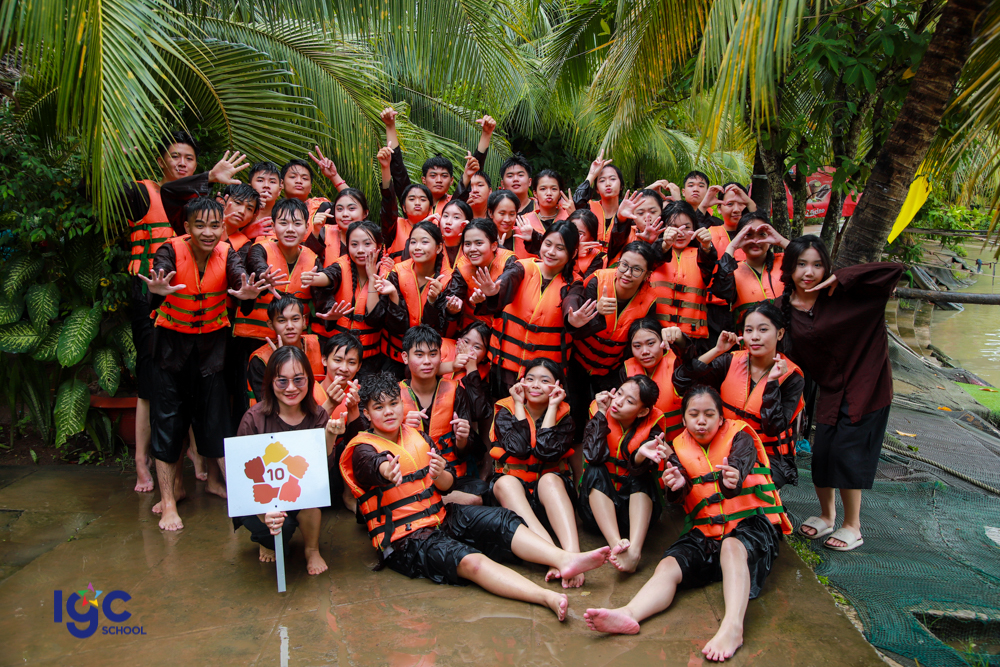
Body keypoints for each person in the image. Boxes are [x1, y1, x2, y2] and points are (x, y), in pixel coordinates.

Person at [341, 372, 611, 620]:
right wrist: (388, 471)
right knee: (470, 560)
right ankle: (546, 597)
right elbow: (374, 466)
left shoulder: (418, 437)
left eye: (393, 404)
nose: (389, 412)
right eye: (379, 407)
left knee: (502, 519)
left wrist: (439, 473)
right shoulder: (363, 449)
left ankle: (562, 559)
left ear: (402, 404)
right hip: (405, 541)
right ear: (366, 413)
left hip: (441, 517)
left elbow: (447, 485)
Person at [584, 385, 792, 663]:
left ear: (721, 418)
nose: (701, 421)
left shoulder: (740, 435)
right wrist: (677, 485)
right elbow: (678, 489)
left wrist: (733, 478)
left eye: (709, 414)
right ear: (683, 419)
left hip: (752, 525)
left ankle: (732, 628)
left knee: (732, 545)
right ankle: (629, 613)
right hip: (707, 533)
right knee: (669, 564)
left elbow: (740, 464)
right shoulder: (678, 448)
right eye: (694, 415)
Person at [121, 133, 247, 493]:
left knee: (204, 389)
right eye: (174, 156)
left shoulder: (199, 203)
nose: (181, 163)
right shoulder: (148, 193)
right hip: (156, 293)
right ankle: (145, 464)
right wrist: (122, 157)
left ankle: (197, 470)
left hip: (201, 308)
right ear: (161, 160)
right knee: (156, 385)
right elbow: (157, 193)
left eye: (189, 158)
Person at [140, 197, 277, 531]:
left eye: (215, 225)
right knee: (168, 426)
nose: (208, 232)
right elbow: (155, 284)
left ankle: (240, 495)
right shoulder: (170, 251)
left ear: (222, 227)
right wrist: (157, 289)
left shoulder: (227, 253)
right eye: (200, 225)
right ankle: (169, 503)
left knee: (217, 424)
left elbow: (238, 277)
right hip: (171, 353)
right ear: (187, 227)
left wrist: (246, 291)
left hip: (211, 353)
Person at [778, 236, 903, 551]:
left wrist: (843, 276)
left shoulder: (845, 294)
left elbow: (893, 270)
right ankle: (827, 515)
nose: (809, 272)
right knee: (823, 453)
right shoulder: (783, 308)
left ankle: (853, 526)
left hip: (867, 383)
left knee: (848, 453)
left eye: (817, 265)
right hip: (831, 388)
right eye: (801, 264)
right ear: (789, 268)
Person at [671, 303, 805, 489]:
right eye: (749, 330)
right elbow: (682, 382)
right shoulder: (730, 361)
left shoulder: (792, 377)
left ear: (780, 333)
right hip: (724, 445)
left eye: (763, 330)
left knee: (739, 483)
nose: (754, 337)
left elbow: (773, 427)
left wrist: (773, 382)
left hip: (768, 455)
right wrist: (717, 350)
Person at [234, 346, 339, 575]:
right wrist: (263, 511)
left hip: (300, 492)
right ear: (271, 382)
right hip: (262, 496)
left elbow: (321, 472)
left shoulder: (318, 415)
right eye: (282, 381)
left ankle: (312, 549)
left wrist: (330, 436)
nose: (291, 388)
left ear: (309, 380)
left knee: (311, 501)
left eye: (298, 380)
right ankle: (266, 540)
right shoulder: (253, 419)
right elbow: (242, 477)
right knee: (277, 532)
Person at [489, 359, 584, 588]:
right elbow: (519, 449)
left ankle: (574, 555)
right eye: (530, 379)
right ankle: (554, 557)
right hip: (516, 501)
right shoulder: (505, 412)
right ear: (521, 382)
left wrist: (552, 407)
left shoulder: (564, 417)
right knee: (506, 483)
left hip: (550, 499)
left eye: (544, 380)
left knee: (549, 479)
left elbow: (545, 451)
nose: (535, 385)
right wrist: (518, 404)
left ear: (557, 386)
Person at [568, 241, 659, 436]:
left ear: (647, 275)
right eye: (624, 265)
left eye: (636, 269)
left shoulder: (650, 300)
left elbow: (636, 344)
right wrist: (597, 313)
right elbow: (575, 330)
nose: (627, 273)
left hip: (611, 369)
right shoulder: (597, 281)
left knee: (608, 422)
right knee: (575, 417)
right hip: (577, 362)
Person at [483, 221, 582, 397]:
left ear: (573, 253)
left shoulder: (574, 284)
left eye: (560, 248)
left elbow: (572, 301)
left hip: (543, 377)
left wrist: (572, 318)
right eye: (548, 244)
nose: (551, 252)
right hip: (505, 368)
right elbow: (506, 282)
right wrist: (493, 292)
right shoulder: (522, 267)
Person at [579, 375, 666, 573]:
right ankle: (616, 545)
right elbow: (593, 455)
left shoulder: (654, 424)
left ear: (643, 411)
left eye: (629, 401)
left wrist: (639, 456)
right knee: (595, 469)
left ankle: (634, 552)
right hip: (596, 514)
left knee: (642, 476)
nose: (618, 402)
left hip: (633, 516)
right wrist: (601, 413)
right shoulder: (599, 409)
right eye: (619, 393)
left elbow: (649, 468)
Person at [398, 326, 490, 504]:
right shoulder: (394, 396)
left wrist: (462, 439)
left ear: (441, 357)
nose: (427, 361)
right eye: (419, 355)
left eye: (433, 354)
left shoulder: (456, 392)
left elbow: (464, 452)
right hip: (409, 477)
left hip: (450, 476)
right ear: (405, 357)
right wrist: (401, 429)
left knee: (480, 495)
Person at [312, 221, 407, 375]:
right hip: (337, 354)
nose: (360, 250)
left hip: (369, 359)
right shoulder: (341, 265)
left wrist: (372, 277)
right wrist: (314, 278)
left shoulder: (388, 276)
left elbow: (374, 319)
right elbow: (329, 276)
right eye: (354, 244)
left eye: (367, 244)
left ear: (379, 246)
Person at [381, 107, 495, 215]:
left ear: (451, 181)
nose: (439, 180)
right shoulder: (413, 203)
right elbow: (398, 172)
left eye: (444, 176)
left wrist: (486, 134)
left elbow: (472, 171)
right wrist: (390, 126)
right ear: (423, 179)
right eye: (433, 175)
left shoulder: (457, 204)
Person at [381, 221, 458, 376]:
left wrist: (433, 301)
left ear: (438, 248)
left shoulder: (450, 280)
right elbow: (394, 324)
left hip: (429, 359)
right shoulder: (397, 272)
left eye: (424, 242)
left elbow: (443, 328)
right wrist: (394, 296)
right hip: (396, 354)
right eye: (413, 242)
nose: (417, 247)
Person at [649, 200, 717, 347]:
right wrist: (665, 245)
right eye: (673, 227)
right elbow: (650, 261)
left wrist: (707, 246)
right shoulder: (652, 254)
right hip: (656, 336)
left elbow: (710, 265)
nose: (680, 233)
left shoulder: (704, 255)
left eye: (686, 227)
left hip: (693, 340)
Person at [698, 183, 759, 344]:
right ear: (719, 208)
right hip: (715, 310)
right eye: (730, 204)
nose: (736, 209)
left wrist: (750, 203)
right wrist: (703, 205)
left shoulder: (757, 237)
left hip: (748, 306)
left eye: (741, 203)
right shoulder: (708, 233)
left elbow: (761, 221)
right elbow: (691, 228)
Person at [245, 296, 328, 408]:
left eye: (295, 319)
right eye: (282, 321)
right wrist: (280, 361)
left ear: (304, 321)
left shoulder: (318, 345)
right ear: (271, 324)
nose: (290, 326)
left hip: (321, 410)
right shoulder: (260, 360)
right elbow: (267, 403)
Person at [712, 212, 789, 328]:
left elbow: (809, 259)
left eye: (762, 234)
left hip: (786, 335)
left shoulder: (786, 262)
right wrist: (731, 247)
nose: (755, 241)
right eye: (748, 235)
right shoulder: (731, 272)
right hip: (751, 337)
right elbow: (721, 289)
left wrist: (781, 241)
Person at [440, 218, 518, 331]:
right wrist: (453, 308)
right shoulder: (462, 266)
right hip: (472, 331)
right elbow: (454, 297)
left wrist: (490, 296)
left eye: (479, 243)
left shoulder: (509, 262)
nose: (472, 249)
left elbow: (509, 296)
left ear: (494, 246)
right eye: (467, 244)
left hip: (504, 330)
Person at [319, 333, 364, 510]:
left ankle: (349, 494)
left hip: (346, 465)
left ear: (359, 366)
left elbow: (361, 440)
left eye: (351, 362)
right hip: (320, 466)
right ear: (324, 360)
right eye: (337, 360)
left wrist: (353, 408)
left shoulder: (361, 394)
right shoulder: (308, 392)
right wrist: (329, 404)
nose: (344, 368)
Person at [620, 319, 684, 440]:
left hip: (676, 444)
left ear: (662, 341)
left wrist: (681, 339)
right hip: (640, 445)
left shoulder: (678, 365)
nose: (645, 352)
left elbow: (693, 360)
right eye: (637, 346)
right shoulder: (625, 370)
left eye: (650, 343)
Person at [304, 188, 370, 266]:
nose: (345, 214)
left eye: (351, 208)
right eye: (339, 209)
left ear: (365, 213)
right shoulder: (323, 233)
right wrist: (315, 231)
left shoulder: (372, 238)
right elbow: (305, 261)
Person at [574, 152, 622, 247]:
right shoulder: (589, 210)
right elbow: (577, 202)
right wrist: (592, 174)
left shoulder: (627, 214)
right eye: (602, 180)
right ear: (597, 189)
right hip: (590, 255)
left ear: (621, 186)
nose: (608, 184)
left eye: (612, 179)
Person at [568, 209, 606, 279]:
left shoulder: (596, 259)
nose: (573, 235)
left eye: (580, 234)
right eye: (570, 230)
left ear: (591, 239)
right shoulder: (555, 245)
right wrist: (572, 254)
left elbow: (584, 283)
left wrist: (574, 257)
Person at [246, 161, 281, 232]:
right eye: (260, 180)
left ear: (279, 190)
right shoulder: (239, 214)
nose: (266, 185)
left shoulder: (285, 219)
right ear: (249, 187)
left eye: (272, 182)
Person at [438, 199, 473, 267]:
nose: (448, 222)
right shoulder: (433, 246)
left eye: (456, 217)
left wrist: (471, 232)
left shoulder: (473, 248)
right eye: (445, 216)